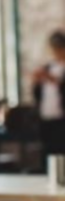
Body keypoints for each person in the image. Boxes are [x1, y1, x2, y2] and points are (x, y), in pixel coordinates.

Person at [33, 30, 65, 158]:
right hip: (46, 115)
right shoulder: (47, 67)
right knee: (48, 150)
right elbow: (38, 93)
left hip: (62, 117)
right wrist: (37, 82)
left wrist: (55, 80)